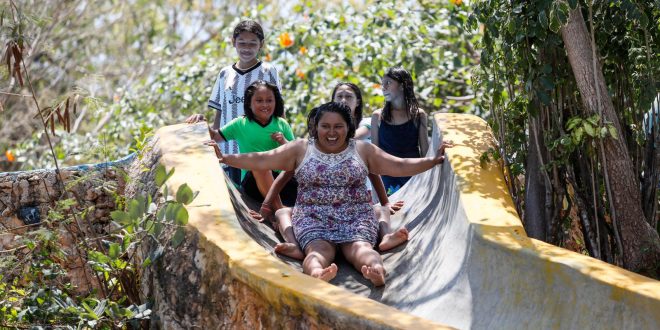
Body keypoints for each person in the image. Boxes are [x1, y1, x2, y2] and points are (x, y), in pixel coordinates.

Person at [208, 102, 451, 286]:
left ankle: (377, 272)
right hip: (313, 218)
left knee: (362, 250)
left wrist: (434, 160)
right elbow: (262, 159)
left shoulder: (363, 150)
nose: (331, 132)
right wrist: (225, 158)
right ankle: (317, 273)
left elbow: (399, 165)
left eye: (338, 127)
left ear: (349, 128)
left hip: (356, 218)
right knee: (318, 251)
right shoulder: (300, 148)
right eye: (325, 126)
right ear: (315, 127)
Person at [258, 83, 408, 261]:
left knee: (378, 209)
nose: (344, 100)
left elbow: (373, 171)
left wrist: (386, 202)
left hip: (355, 208)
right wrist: (266, 207)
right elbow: (287, 171)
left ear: (357, 102)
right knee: (284, 213)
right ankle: (296, 245)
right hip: (318, 213)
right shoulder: (314, 144)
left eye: (349, 97)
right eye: (339, 96)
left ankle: (384, 237)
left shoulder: (359, 138)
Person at [187, 20, 281, 185]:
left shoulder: (268, 71)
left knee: (256, 200)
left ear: (261, 44)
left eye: (252, 43)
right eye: (242, 43)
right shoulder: (225, 73)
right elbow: (220, 113)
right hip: (228, 151)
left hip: (257, 150)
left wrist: (280, 145)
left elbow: (278, 112)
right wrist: (212, 138)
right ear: (233, 42)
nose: (246, 48)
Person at [206, 80, 296, 210]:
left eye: (269, 100)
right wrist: (202, 121)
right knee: (260, 165)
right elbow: (215, 136)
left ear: (275, 102)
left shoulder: (282, 124)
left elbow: (295, 156)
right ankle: (278, 211)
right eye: (259, 100)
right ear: (249, 103)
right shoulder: (240, 124)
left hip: (281, 183)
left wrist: (283, 142)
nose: (265, 104)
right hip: (253, 182)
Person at [371, 67, 429, 195]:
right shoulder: (378, 116)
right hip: (387, 178)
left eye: (388, 83)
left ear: (402, 86)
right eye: (382, 84)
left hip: (414, 177)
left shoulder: (419, 115)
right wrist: (376, 192)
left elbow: (425, 152)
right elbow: (373, 155)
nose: (383, 88)